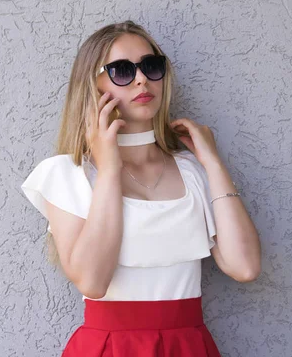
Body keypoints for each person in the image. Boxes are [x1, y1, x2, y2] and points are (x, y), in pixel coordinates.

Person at [20, 20, 261, 356]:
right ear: (92, 84)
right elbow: (92, 281)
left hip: (187, 346)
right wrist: (109, 169)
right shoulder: (68, 174)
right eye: (121, 70)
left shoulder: (192, 170)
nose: (141, 79)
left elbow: (244, 266)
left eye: (151, 65)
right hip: (109, 348)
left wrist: (214, 164)